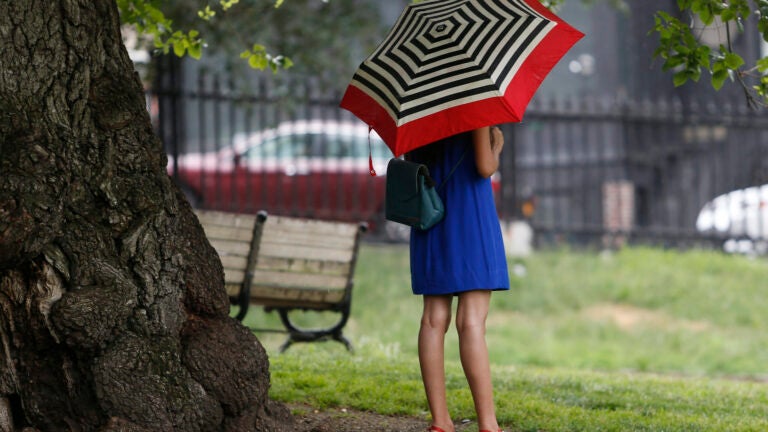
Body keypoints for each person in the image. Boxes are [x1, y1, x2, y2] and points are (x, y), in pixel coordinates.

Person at [407, 126, 509, 432]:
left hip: (431, 214)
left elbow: (411, 160)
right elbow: (484, 167)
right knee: (472, 321)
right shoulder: (473, 106)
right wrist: (497, 146)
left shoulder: (420, 110)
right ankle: (488, 425)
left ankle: (440, 422)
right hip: (470, 213)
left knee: (432, 320)